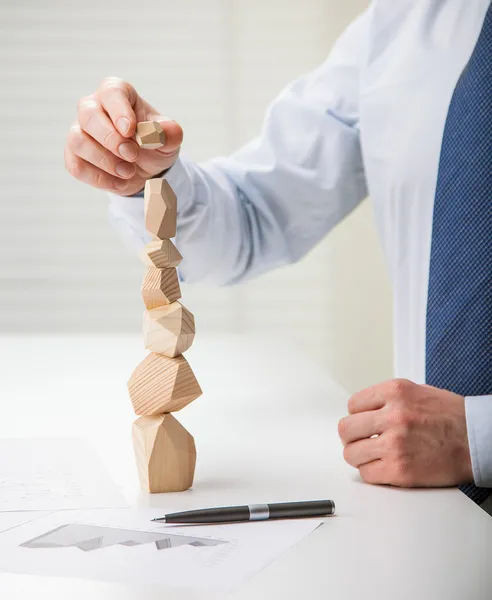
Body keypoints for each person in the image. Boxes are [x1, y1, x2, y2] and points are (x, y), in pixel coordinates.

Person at [64, 1, 492, 510]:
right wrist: (147, 176)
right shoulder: (402, 23)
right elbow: (254, 213)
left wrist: (480, 437)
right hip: (433, 522)